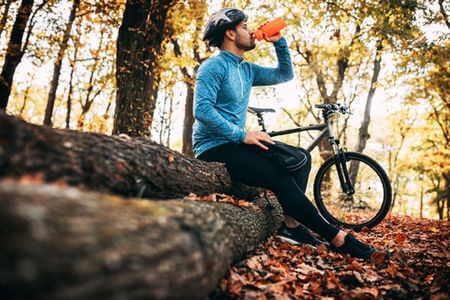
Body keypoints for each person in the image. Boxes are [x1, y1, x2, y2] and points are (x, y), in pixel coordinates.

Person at [193, 7, 389, 261]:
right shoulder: (213, 66)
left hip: (236, 142)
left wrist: (280, 43)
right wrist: (241, 135)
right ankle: (338, 238)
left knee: (301, 159)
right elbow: (202, 110)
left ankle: (292, 225)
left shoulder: (246, 69)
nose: (251, 31)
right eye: (244, 27)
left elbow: (285, 74)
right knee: (279, 177)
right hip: (214, 146)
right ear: (229, 34)